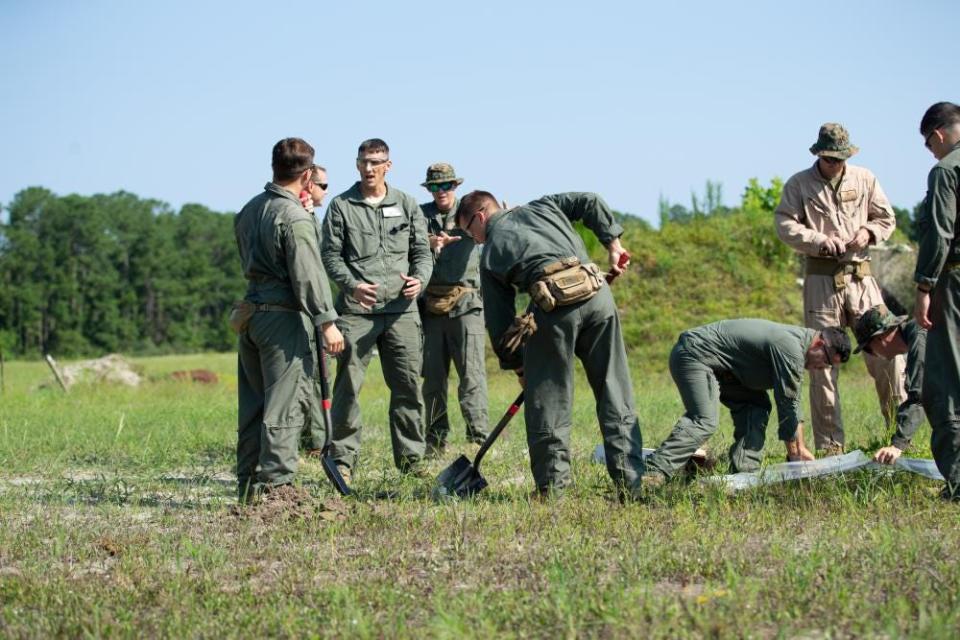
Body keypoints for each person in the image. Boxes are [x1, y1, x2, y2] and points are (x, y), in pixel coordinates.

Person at [456, 190, 644, 499]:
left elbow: (499, 322)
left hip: (554, 311)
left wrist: (518, 366)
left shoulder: (489, 253)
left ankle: (553, 490)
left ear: (480, 217)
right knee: (615, 390)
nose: (474, 240)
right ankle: (631, 483)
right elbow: (589, 201)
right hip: (598, 298)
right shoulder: (545, 205)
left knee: (549, 401)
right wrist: (613, 245)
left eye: (469, 232)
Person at [775, 122, 905, 455]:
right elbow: (784, 224)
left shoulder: (865, 178)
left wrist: (869, 232)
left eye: (841, 158)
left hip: (862, 279)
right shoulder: (799, 184)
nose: (836, 164)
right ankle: (831, 450)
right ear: (819, 153)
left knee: (889, 354)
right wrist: (818, 240)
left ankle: (900, 437)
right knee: (822, 365)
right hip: (821, 282)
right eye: (830, 158)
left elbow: (886, 217)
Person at [233, 138, 344, 503]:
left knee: (253, 408)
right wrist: (327, 321)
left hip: (251, 316)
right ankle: (277, 490)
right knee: (284, 405)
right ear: (308, 174)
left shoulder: (250, 210)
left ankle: (248, 487)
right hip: (283, 321)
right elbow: (308, 274)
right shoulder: (295, 217)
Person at [320, 139, 433, 480]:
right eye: (363, 162)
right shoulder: (341, 206)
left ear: (389, 165)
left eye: (376, 162)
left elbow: (422, 253)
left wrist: (420, 280)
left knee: (408, 387)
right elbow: (330, 256)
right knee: (348, 387)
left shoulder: (407, 203)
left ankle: (412, 461)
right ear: (356, 165)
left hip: (402, 312)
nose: (369, 168)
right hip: (357, 312)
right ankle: (342, 460)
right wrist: (351, 284)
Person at [642, 320, 850, 483]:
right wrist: (796, 454)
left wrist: (799, 449)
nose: (821, 368)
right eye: (825, 361)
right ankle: (651, 473)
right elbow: (789, 403)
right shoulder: (791, 348)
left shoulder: (798, 344)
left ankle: (743, 475)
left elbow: (794, 403)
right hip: (694, 355)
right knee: (704, 420)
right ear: (820, 344)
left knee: (756, 406)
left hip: (725, 370)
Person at [418, 163, 489, 457]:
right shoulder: (420, 216)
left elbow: (490, 228)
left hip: (466, 305)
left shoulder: (468, 212)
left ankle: (479, 437)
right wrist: (428, 242)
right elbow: (401, 243)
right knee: (433, 379)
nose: (441, 192)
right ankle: (435, 440)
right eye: (435, 187)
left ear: (455, 187)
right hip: (432, 307)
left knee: (471, 375)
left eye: (446, 185)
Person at [914, 101, 960, 498]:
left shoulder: (946, 170)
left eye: (929, 143)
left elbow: (941, 232)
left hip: (955, 283)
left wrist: (924, 287)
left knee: (946, 381)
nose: (931, 151)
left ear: (939, 135)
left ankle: (959, 483)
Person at [851, 306, 927, 465]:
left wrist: (897, 445)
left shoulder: (919, 340)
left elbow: (920, 398)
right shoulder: (915, 335)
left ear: (880, 338)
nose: (872, 355)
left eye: (868, 349)